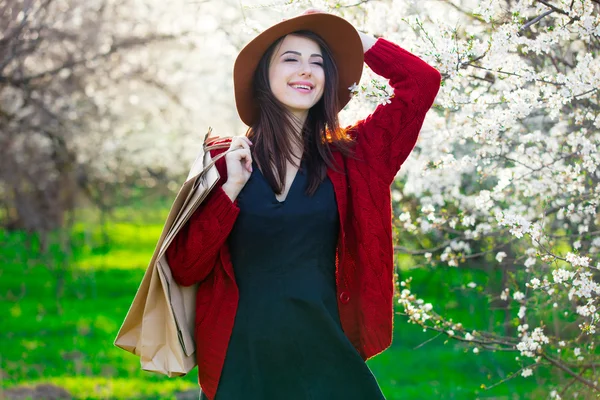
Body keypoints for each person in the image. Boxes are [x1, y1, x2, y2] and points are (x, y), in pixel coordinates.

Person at [166, 9, 441, 400]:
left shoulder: (356, 157)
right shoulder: (225, 160)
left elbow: (421, 82)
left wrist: (351, 37)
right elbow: (184, 266)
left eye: (318, 62)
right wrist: (229, 191)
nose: (306, 71)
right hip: (243, 361)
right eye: (290, 59)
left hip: (328, 355)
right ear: (264, 75)